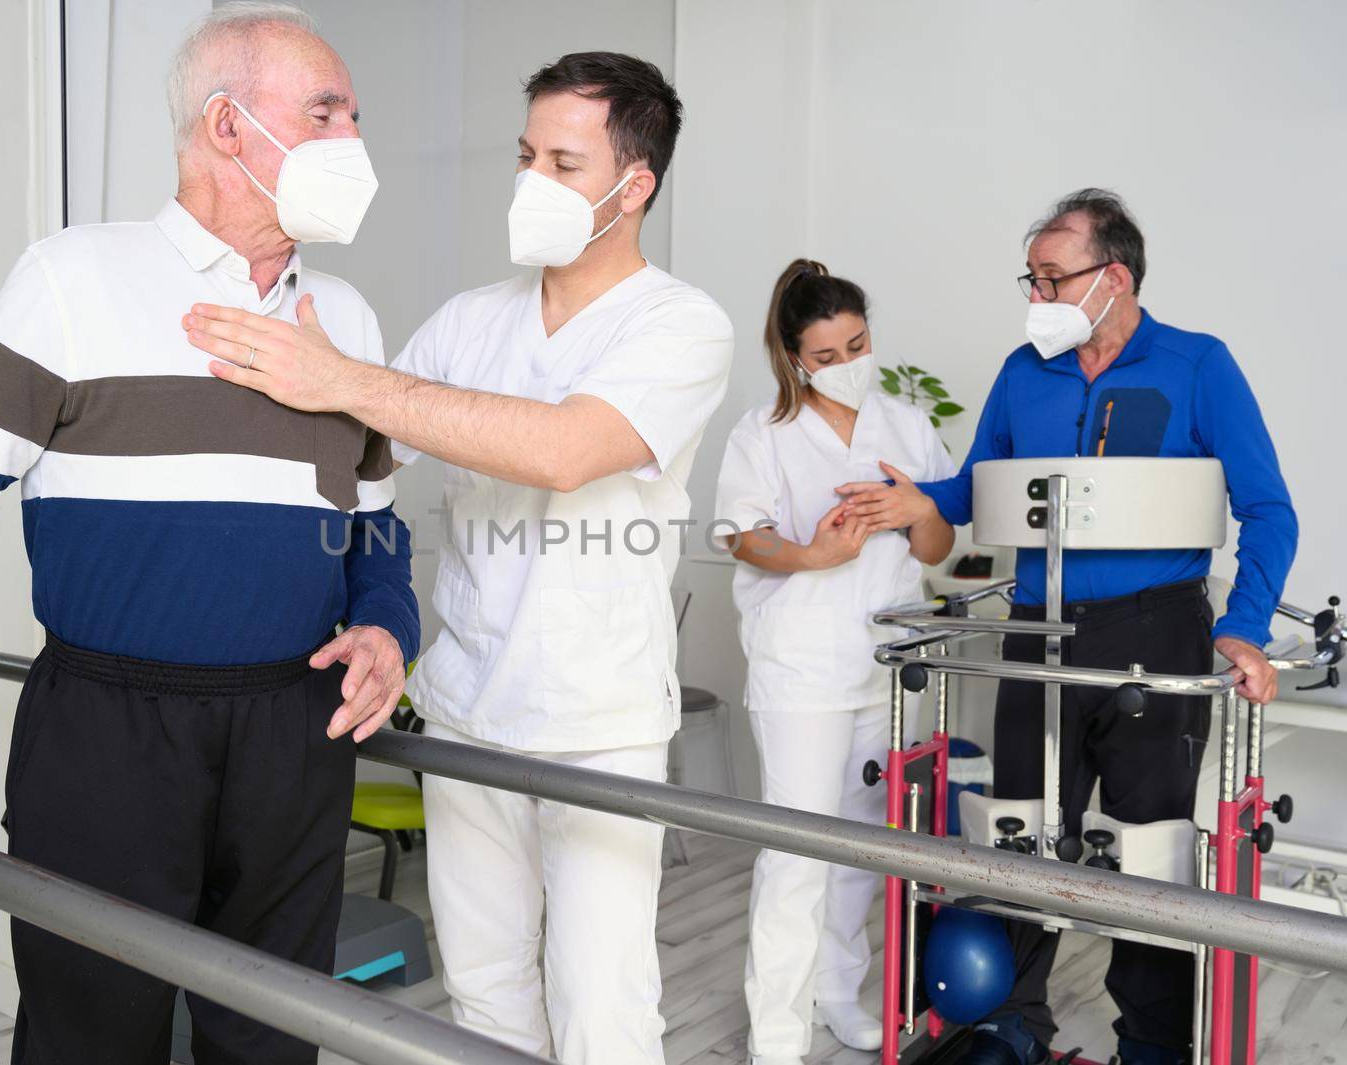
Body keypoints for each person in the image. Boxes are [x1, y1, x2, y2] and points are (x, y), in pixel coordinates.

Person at [0, 5, 417, 1063]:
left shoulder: (346, 320)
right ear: (229, 126)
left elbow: (376, 533)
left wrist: (385, 624)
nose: (353, 140)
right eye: (324, 113)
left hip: (294, 736)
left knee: (274, 1040)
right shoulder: (70, 280)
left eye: (355, 115)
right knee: (93, 1040)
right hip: (110, 736)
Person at [182, 51, 733, 1065]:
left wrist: (345, 379)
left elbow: (564, 450)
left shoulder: (679, 323)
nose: (531, 183)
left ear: (634, 183)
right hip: (470, 710)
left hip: (594, 722)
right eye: (525, 156)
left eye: (563, 164)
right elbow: (359, 449)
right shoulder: (470, 320)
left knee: (602, 1008)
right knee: (482, 1000)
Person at [837, 188, 1297, 1065]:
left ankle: (1153, 1043)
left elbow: (1269, 509)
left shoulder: (1198, 365)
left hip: (1152, 632)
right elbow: (978, 485)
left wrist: (1243, 626)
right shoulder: (1025, 371)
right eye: (1034, 279)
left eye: (1053, 279)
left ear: (1113, 277)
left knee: (1149, 853)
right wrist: (916, 500)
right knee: (1020, 833)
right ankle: (1014, 1025)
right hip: (1036, 633)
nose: (1037, 298)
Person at [714, 260, 954, 1063]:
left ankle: (837, 991)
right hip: (802, 666)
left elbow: (943, 546)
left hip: (888, 666)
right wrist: (816, 553)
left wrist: (920, 508)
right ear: (792, 358)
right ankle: (776, 1029)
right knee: (794, 848)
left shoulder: (907, 424)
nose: (848, 364)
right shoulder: (765, 433)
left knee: (862, 840)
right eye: (826, 355)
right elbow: (740, 535)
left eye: (858, 344)